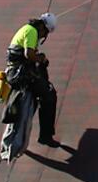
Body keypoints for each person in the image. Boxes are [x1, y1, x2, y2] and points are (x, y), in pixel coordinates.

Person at [5, 12, 62, 148]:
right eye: (46, 33)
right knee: (49, 94)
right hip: (21, 74)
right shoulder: (32, 32)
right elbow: (28, 54)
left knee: (44, 90)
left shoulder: (27, 29)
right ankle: (46, 136)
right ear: (44, 28)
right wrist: (41, 59)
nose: (44, 36)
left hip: (18, 71)